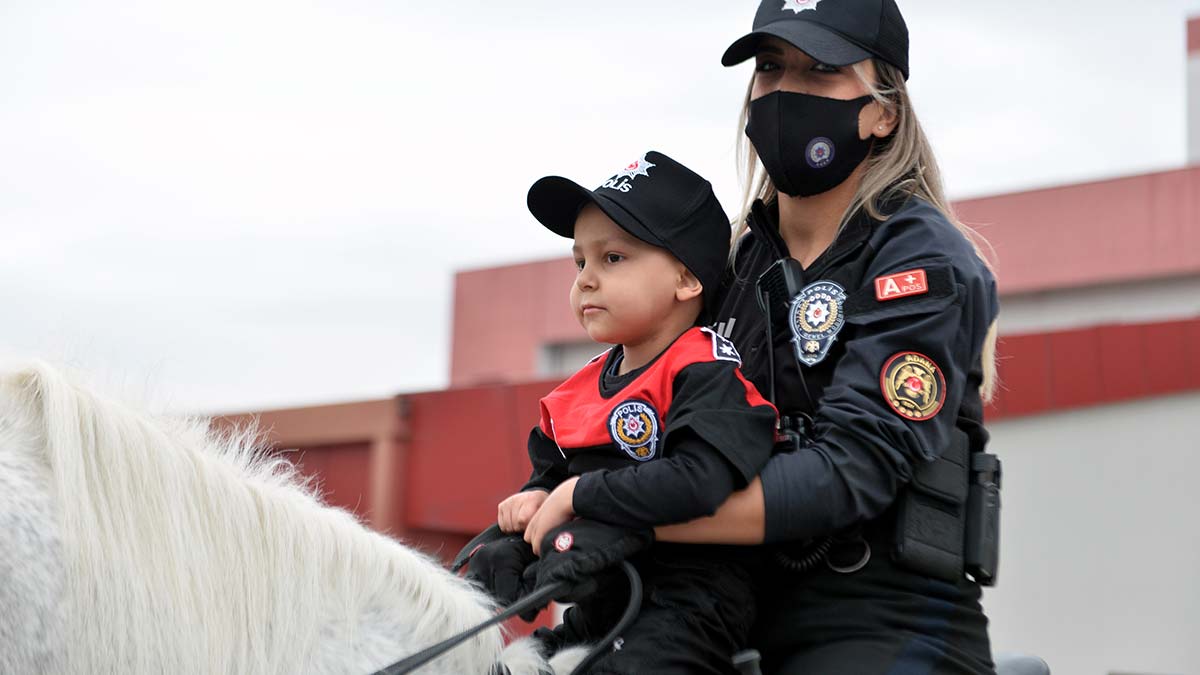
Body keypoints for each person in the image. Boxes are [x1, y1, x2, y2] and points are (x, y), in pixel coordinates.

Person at [514, 2, 1003, 673]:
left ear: (883, 110)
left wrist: (606, 504)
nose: (786, 93)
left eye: (821, 71)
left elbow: (848, 473)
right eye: (771, 69)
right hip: (710, 605)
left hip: (880, 618)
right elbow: (635, 419)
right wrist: (549, 494)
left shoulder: (919, 256)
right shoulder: (728, 264)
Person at [462, 151, 778, 675]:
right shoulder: (577, 391)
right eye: (579, 261)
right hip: (597, 613)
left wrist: (576, 496)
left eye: (613, 259)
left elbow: (701, 480)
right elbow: (550, 476)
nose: (585, 279)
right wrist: (525, 514)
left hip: (689, 612)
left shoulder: (703, 370)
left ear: (685, 280)